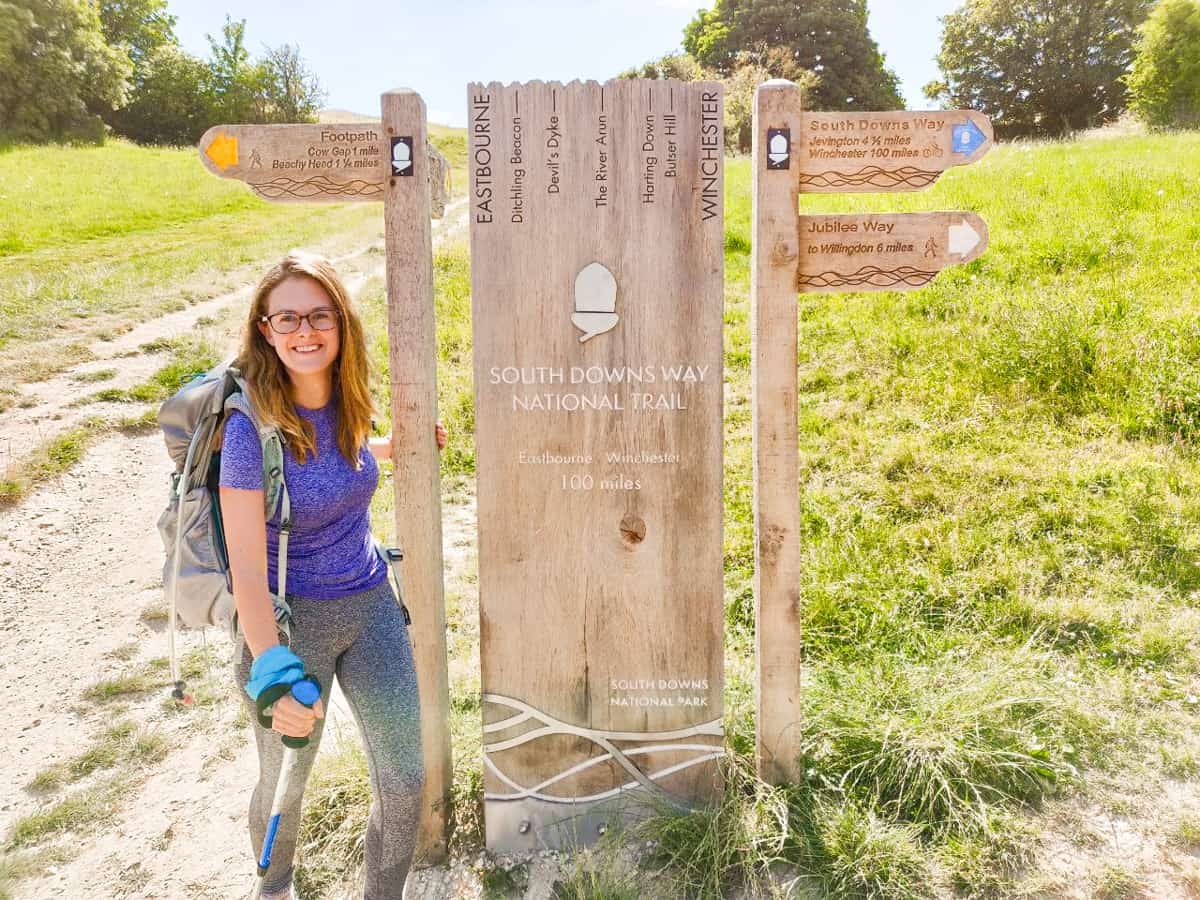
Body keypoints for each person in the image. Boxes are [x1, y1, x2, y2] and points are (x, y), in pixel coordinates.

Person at [219, 251, 446, 900]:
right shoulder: (248, 431)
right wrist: (272, 671)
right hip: (291, 627)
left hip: (371, 605)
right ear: (265, 329)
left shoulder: (348, 403)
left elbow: (335, 454)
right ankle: (275, 884)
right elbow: (246, 572)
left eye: (319, 314)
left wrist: (390, 447)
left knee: (406, 778)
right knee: (286, 780)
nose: (304, 330)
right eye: (285, 317)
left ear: (342, 323)